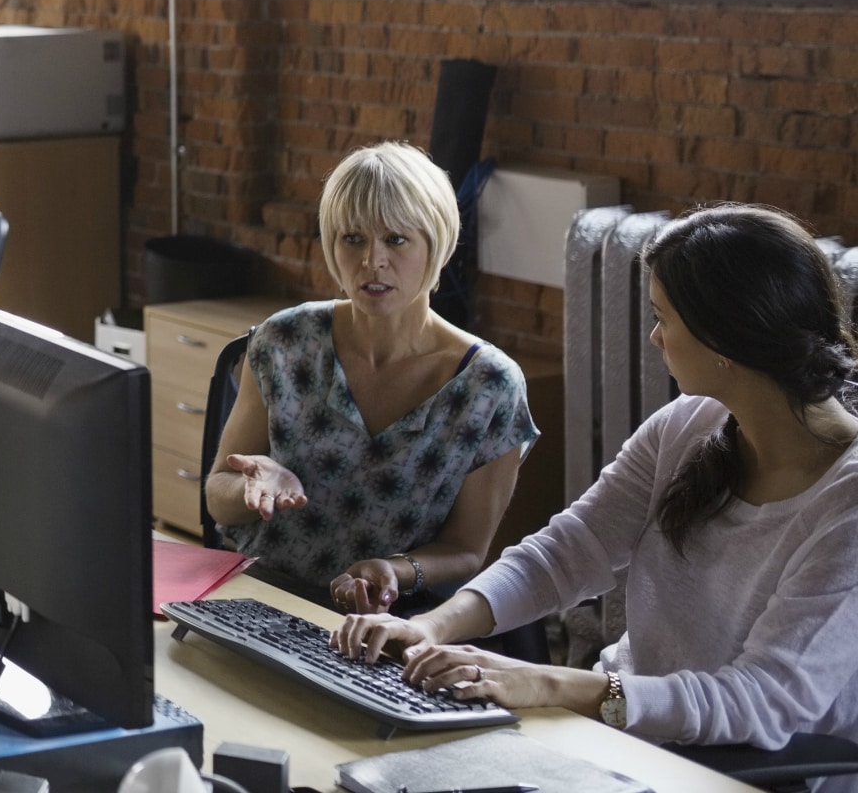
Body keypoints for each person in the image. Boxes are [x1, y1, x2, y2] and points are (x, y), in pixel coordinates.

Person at [334, 204, 858, 780]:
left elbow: (761, 702)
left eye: (664, 318)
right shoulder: (687, 424)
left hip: (742, 774)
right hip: (629, 739)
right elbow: (567, 551)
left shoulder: (847, 500)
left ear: (722, 341)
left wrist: (549, 682)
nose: (655, 337)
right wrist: (431, 626)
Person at [204, 142, 537, 613]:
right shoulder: (284, 342)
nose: (372, 261)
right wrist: (253, 487)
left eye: (396, 240)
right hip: (263, 599)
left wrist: (394, 570)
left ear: (436, 242)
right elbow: (218, 496)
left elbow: (466, 550)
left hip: (391, 625)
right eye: (353, 239)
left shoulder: (489, 386)